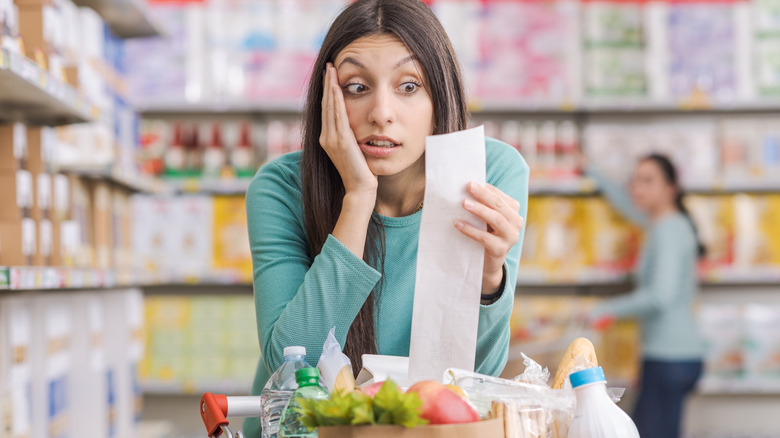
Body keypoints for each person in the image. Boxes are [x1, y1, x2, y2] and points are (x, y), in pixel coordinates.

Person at [242, 0, 529, 436]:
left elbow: (475, 381)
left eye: (409, 86)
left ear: (441, 94)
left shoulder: (489, 175)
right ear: (328, 99)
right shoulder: (280, 188)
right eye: (357, 87)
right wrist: (358, 197)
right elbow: (288, 361)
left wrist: (488, 282)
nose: (381, 112)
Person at [584, 154, 705, 438]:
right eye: (635, 180)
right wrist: (591, 170)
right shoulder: (664, 222)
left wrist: (603, 309)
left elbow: (660, 295)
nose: (637, 187)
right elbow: (627, 204)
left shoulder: (667, 229)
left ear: (670, 189)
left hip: (668, 357)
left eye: (648, 180)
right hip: (676, 355)